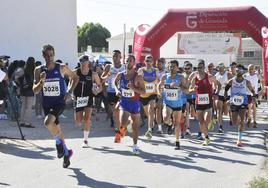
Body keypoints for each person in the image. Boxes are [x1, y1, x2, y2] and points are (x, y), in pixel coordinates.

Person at [32, 44, 79, 168]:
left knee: (48, 122)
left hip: (59, 102)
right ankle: (67, 153)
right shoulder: (38, 70)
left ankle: (58, 144)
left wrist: (69, 92)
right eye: (47, 55)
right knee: (57, 130)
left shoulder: (61, 67)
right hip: (47, 104)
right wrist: (41, 81)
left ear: (54, 54)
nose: (49, 57)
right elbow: (35, 90)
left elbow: (75, 78)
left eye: (51, 55)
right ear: (43, 56)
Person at [114, 54, 145, 154]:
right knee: (123, 122)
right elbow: (114, 82)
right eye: (127, 61)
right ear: (125, 62)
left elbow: (143, 91)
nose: (129, 63)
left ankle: (135, 146)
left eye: (131, 61)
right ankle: (123, 130)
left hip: (135, 103)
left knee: (135, 127)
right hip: (124, 102)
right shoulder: (121, 74)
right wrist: (116, 90)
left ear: (134, 62)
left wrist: (133, 88)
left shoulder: (138, 77)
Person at [158, 60, 188, 149]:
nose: (171, 68)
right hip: (167, 102)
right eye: (170, 66)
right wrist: (159, 92)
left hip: (178, 104)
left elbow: (186, 90)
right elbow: (159, 85)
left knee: (177, 123)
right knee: (165, 118)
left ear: (177, 67)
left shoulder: (181, 77)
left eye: (173, 66)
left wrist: (178, 86)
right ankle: (169, 123)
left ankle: (177, 141)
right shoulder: (164, 76)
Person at [189, 59, 221, 145]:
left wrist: (216, 93)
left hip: (208, 102)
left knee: (206, 120)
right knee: (201, 122)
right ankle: (206, 138)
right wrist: (193, 89)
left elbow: (219, 84)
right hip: (198, 102)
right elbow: (190, 89)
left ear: (204, 67)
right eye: (197, 67)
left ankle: (210, 121)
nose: (199, 69)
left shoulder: (209, 77)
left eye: (201, 67)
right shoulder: (194, 78)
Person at [73, 55, 102, 147]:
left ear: (88, 62)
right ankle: (87, 122)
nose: (83, 63)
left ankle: (85, 140)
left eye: (85, 61)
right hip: (78, 99)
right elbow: (70, 84)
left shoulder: (93, 74)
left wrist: (97, 90)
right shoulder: (75, 73)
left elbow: (100, 86)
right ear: (79, 62)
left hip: (88, 98)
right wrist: (70, 93)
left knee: (86, 119)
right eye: (81, 61)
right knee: (78, 121)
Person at [225, 65, 256, 146]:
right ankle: (240, 119)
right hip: (233, 102)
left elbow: (253, 92)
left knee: (241, 121)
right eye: (237, 70)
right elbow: (225, 90)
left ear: (243, 72)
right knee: (234, 122)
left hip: (243, 102)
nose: (239, 72)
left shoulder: (246, 82)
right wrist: (227, 99)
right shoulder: (231, 81)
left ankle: (239, 139)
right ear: (236, 71)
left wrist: (254, 97)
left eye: (240, 71)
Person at [101, 50, 125, 141]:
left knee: (121, 112)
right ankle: (119, 128)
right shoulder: (108, 67)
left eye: (117, 56)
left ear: (120, 57)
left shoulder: (124, 67)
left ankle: (120, 129)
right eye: (113, 56)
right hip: (111, 91)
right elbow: (101, 79)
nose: (115, 58)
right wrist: (107, 76)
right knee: (115, 112)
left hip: (122, 92)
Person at [138, 55, 160, 139]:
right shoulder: (141, 70)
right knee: (148, 113)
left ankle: (149, 130)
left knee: (151, 108)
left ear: (153, 62)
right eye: (147, 61)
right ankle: (151, 122)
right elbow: (137, 80)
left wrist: (159, 90)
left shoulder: (156, 70)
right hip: (143, 94)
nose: (148, 63)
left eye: (150, 61)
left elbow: (158, 81)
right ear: (144, 61)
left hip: (152, 93)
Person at [17, 57, 36, 127]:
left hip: (23, 90)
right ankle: (27, 123)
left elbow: (17, 79)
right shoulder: (34, 70)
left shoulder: (23, 70)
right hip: (30, 90)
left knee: (23, 106)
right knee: (29, 107)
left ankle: (21, 122)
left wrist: (21, 85)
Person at [214, 62, 232, 133]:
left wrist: (228, 85)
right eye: (219, 67)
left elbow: (233, 83)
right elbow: (214, 84)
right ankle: (220, 126)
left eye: (221, 66)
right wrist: (215, 91)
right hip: (219, 95)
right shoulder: (216, 75)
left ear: (224, 67)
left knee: (225, 112)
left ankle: (230, 116)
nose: (220, 68)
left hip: (227, 94)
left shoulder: (228, 74)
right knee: (219, 110)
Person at [155, 58, 166, 134]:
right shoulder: (154, 71)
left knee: (162, 110)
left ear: (163, 64)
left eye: (160, 64)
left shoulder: (166, 73)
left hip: (164, 93)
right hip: (155, 92)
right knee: (157, 109)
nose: (158, 65)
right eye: (157, 64)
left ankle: (167, 123)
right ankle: (159, 128)